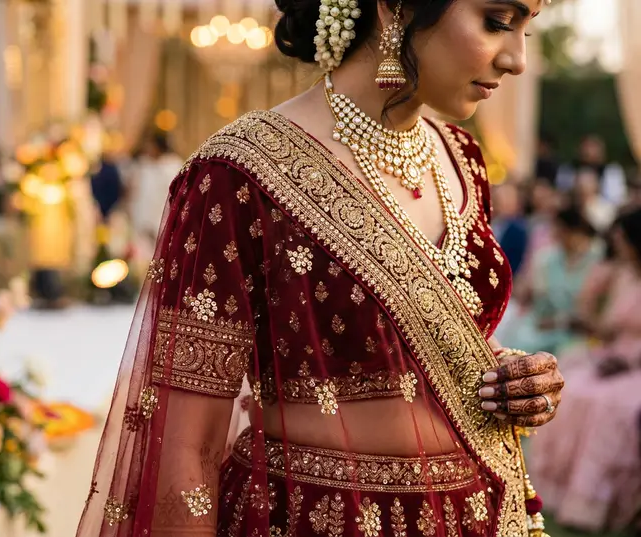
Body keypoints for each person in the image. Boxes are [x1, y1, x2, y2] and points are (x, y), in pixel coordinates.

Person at [77, 1, 565, 536]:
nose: (516, 59)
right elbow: (183, 453)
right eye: (497, 22)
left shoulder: (463, 158)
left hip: (477, 511)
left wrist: (507, 377)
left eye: (525, 28)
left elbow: (408, 341)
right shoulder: (238, 175)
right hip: (316, 516)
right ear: (395, 6)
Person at [529, 209, 641, 533]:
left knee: (610, 406)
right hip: (613, 355)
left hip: (634, 365)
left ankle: (603, 504)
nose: (617, 245)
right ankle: (556, 491)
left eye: (622, 240)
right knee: (569, 388)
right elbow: (604, 326)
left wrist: (628, 360)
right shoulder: (621, 274)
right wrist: (594, 293)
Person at [497, 207, 603, 358]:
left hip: (577, 333)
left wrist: (561, 322)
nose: (557, 234)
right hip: (543, 324)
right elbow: (534, 296)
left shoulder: (596, 260)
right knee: (518, 344)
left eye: (562, 230)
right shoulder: (548, 258)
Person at [128, 134, 184, 244]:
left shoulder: (172, 167)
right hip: (143, 218)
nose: (148, 150)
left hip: (163, 217)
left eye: (151, 146)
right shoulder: (144, 166)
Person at [491, 182, 529, 276]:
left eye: (508, 198)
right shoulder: (490, 224)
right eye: (500, 198)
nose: (504, 202)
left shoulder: (520, 230)